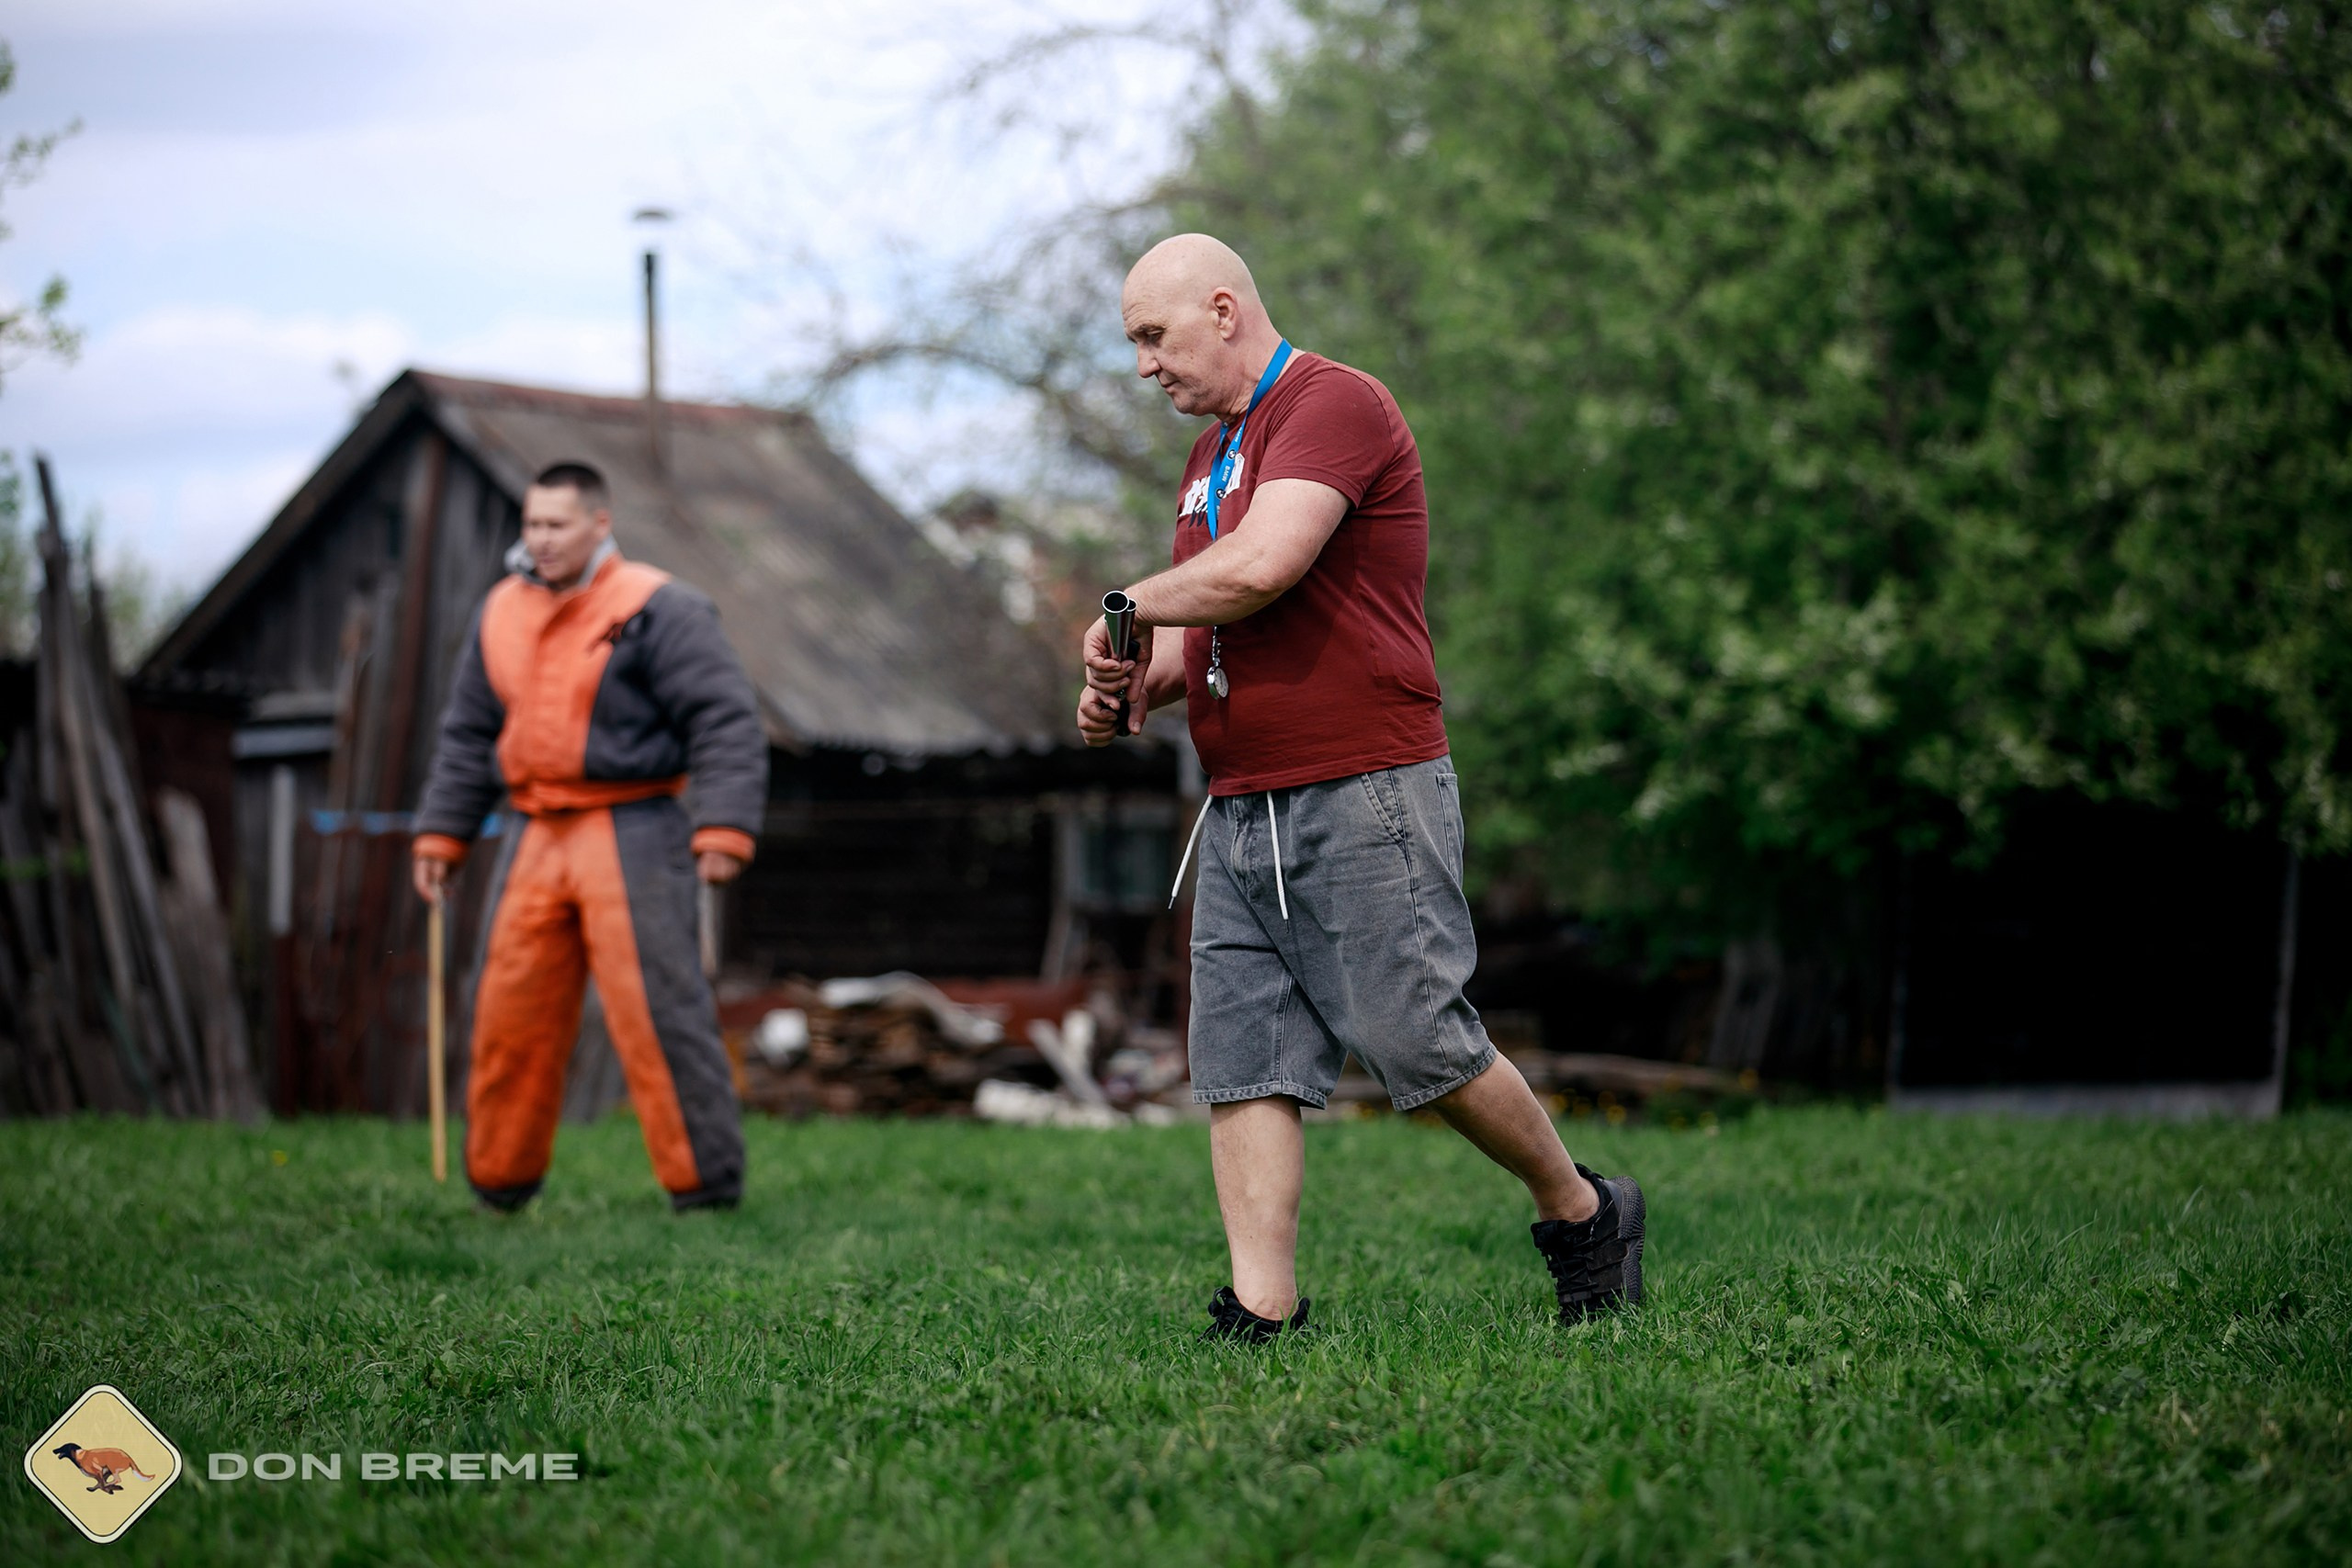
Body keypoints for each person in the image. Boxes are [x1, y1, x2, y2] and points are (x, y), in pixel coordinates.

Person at [1079, 235, 1645, 1338]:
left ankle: (1581, 1210)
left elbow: (1260, 569)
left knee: (1416, 1041)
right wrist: (1128, 684)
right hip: (1239, 804)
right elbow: (1209, 623)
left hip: (1362, 788)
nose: (1145, 365)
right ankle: (1262, 1308)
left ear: (1224, 309)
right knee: (1242, 1062)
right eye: (1135, 344)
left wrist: (1131, 600)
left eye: (1154, 336)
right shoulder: (1210, 458)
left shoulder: (1332, 405)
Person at [411, 461, 765, 1213]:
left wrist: (724, 825)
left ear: (599, 524)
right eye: (531, 524)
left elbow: (725, 715)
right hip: (533, 830)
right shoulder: (500, 610)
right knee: (508, 1010)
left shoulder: (658, 606)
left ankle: (705, 1189)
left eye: (556, 525)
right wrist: (441, 836)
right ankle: (499, 1182)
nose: (539, 539)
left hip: (634, 827)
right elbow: (469, 731)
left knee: (659, 1013)